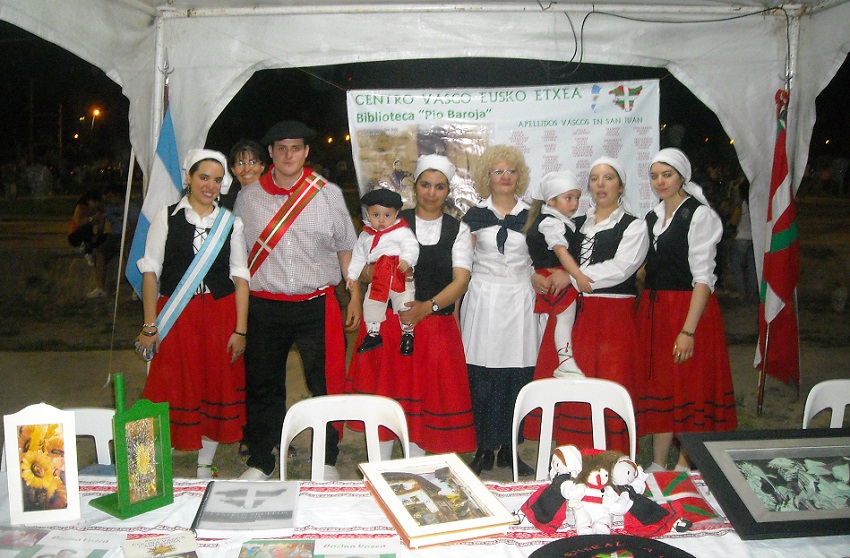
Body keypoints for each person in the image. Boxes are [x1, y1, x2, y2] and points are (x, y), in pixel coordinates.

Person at [234, 120, 361, 481]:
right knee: (262, 384)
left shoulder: (328, 194)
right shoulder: (248, 197)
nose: (289, 154)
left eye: (296, 148)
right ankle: (262, 457)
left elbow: (346, 248)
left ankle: (325, 457)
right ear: (270, 154)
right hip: (264, 304)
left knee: (324, 382)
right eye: (281, 148)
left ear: (306, 152)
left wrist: (353, 296)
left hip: (315, 304)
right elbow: (237, 256)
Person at [346, 154, 477, 459]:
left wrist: (427, 307)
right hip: (390, 323)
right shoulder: (390, 219)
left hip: (432, 326)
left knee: (420, 400)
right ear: (415, 187)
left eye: (440, 186)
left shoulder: (456, 229)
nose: (432, 192)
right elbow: (364, 263)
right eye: (426, 185)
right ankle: (380, 469)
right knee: (386, 396)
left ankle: (411, 470)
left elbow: (461, 281)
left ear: (448, 191)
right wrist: (375, 274)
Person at [134, 149, 249, 478]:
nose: (210, 185)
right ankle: (158, 462)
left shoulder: (231, 222)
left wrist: (240, 330)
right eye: (203, 177)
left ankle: (203, 465)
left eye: (216, 179)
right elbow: (151, 273)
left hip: (219, 314)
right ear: (189, 178)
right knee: (172, 382)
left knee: (215, 383)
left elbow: (240, 278)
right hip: (176, 315)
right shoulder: (166, 216)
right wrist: (149, 324)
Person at [527, 157, 649, 455]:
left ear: (620, 185)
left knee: (608, 383)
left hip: (611, 317)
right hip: (573, 315)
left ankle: (611, 460)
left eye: (608, 178)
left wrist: (570, 276)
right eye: (594, 178)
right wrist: (536, 276)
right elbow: (547, 256)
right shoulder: (575, 223)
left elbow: (622, 269)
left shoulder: (634, 226)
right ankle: (567, 458)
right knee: (570, 389)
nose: (600, 184)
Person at [636, 148, 737, 472]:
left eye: (667, 175)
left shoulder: (698, 215)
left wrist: (688, 330)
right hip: (656, 313)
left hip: (687, 311)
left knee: (689, 387)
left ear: (681, 176)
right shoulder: (652, 218)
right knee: (663, 387)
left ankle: (685, 463)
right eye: (654, 176)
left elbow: (703, 278)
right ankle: (659, 462)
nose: (660, 181)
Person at [461, 145, 537, 477]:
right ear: (486, 178)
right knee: (482, 376)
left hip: (520, 299)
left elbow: (540, 260)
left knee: (516, 375)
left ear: (519, 175)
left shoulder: (534, 214)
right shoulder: (474, 215)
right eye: (498, 172)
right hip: (483, 299)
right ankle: (483, 449)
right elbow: (461, 262)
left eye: (511, 171)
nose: (505, 177)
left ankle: (509, 449)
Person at [524, 170, 593, 377]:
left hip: (556, 275)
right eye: (568, 198)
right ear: (552, 201)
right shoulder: (551, 222)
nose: (574, 203)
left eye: (577, 198)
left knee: (564, 319)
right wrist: (577, 275)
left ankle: (564, 358)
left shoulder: (557, 220)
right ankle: (565, 359)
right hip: (556, 276)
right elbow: (561, 253)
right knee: (564, 318)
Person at [346, 188, 419, 355]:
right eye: (376, 215)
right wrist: (352, 275)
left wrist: (407, 260)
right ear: (368, 214)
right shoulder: (365, 236)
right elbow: (357, 257)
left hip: (398, 271)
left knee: (405, 302)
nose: (381, 220)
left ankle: (408, 334)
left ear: (395, 215)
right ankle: (373, 333)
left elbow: (411, 246)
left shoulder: (401, 231)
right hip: (378, 274)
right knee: (372, 303)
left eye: (387, 215)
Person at [87, 184, 140, 299]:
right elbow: (101, 225)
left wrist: (125, 239)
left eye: (111, 197)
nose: (109, 199)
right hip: (114, 236)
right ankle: (101, 288)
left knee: (129, 254)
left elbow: (136, 226)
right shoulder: (108, 208)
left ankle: (136, 289)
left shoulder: (130, 207)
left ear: (118, 195)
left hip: (129, 236)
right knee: (99, 253)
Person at [220, 139, 267, 210]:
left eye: (252, 162)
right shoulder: (226, 204)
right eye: (240, 163)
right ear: (233, 169)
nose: (247, 169)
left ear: (262, 166)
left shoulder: (274, 199)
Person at [67, 189, 105, 267]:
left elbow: (101, 229)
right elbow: (78, 223)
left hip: (91, 236)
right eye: (95, 202)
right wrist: (91, 219)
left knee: (104, 238)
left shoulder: (98, 211)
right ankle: (87, 252)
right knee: (87, 228)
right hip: (76, 235)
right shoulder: (81, 207)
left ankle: (90, 248)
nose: (96, 204)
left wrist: (100, 223)